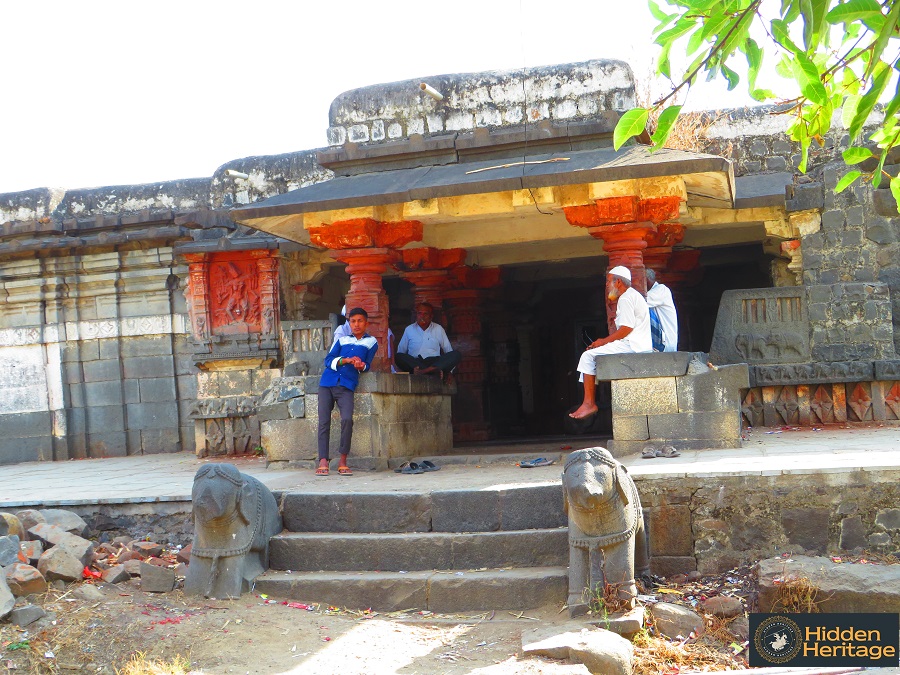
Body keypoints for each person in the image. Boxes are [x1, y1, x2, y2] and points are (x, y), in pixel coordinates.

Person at [569, 266, 652, 420]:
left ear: (618, 281)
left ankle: (589, 403)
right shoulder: (633, 295)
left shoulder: (626, 297)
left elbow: (627, 328)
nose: (607, 285)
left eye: (608, 281)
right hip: (636, 344)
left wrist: (603, 341)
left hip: (632, 345)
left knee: (587, 356)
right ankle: (588, 402)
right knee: (591, 353)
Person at [316, 307, 378, 476]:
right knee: (323, 422)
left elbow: (368, 364)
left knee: (347, 420)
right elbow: (328, 360)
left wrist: (361, 365)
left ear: (366, 323)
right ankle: (323, 460)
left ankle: (343, 461)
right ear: (349, 323)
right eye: (353, 321)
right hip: (327, 383)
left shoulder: (371, 342)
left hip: (347, 386)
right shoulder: (341, 340)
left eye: (360, 321)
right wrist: (346, 360)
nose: (356, 324)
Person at [395, 302, 461, 382]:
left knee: (456, 354)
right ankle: (431, 372)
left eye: (425, 314)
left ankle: (425, 371)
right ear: (416, 315)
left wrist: (450, 372)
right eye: (419, 313)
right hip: (416, 363)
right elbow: (401, 351)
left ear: (431, 316)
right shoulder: (409, 329)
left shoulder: (438, 329)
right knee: (398, 356)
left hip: (434, 362)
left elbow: (448, 350)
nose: (422, 316)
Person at [645, 268, 678, 352]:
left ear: (646, 280)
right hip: (661, 343)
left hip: (665, 343)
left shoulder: (662, 290)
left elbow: (639, 302)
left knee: (640, 309)